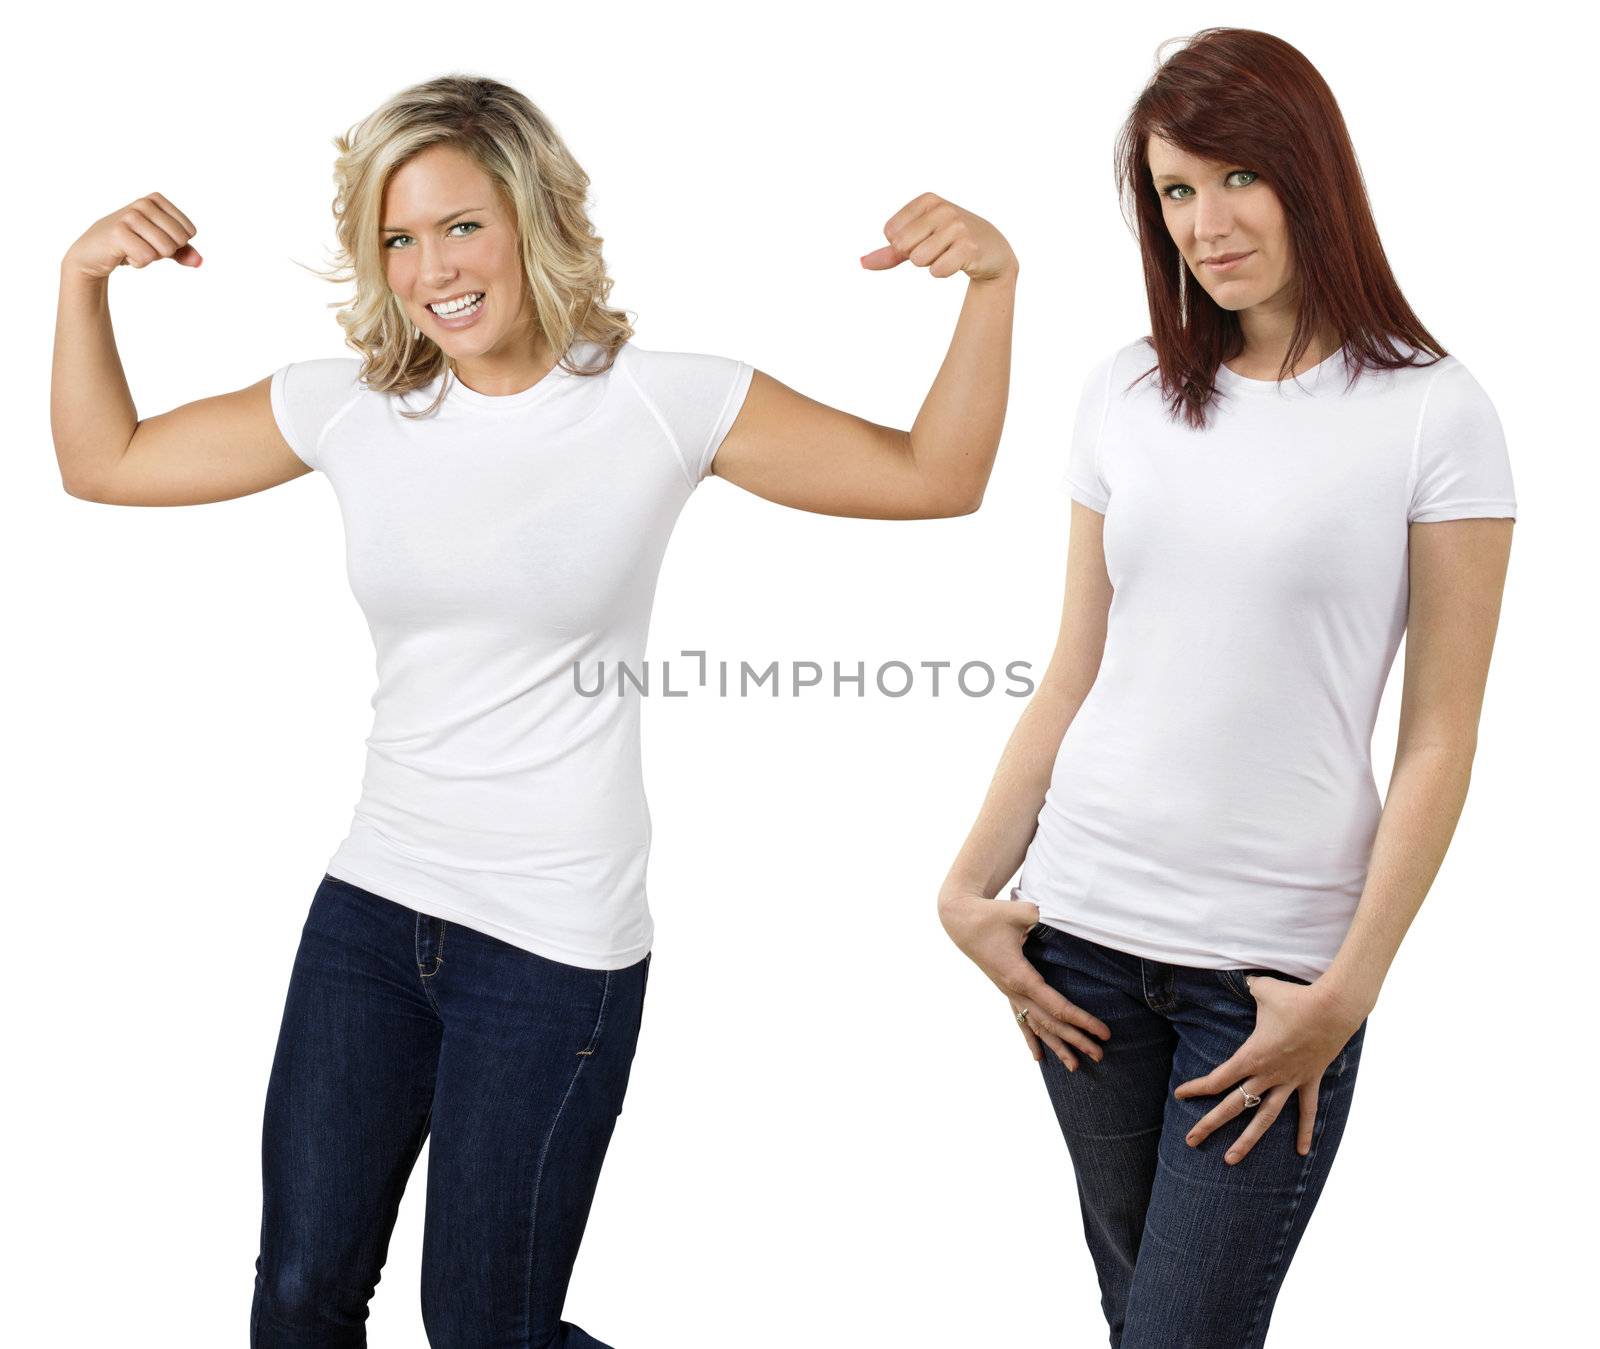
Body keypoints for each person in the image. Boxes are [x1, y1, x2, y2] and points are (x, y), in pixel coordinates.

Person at [51, 74, 1019, 1347]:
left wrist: (993, 289)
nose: (432, 268)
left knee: (487, 1328)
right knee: (296, 1299)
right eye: (398, 237)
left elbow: (931, 479)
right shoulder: (349, 405)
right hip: (371, 913)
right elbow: (103, 463)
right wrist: (79, 281)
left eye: (461, 225)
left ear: (531, 217)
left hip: (556, 941)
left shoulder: (661, 400)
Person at [937, 27, 1516, 1349]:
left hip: (1266, 980)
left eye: (1235, 176)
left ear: (1310, 173)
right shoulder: (1127, 390)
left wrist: (1349, 989)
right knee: (1136, 1317)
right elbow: (1075, 670)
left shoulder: (1435, 413)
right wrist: (968, 889)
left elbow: (1441, 731)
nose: (1206, 221)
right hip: (1079, 944)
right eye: (1174, 192)